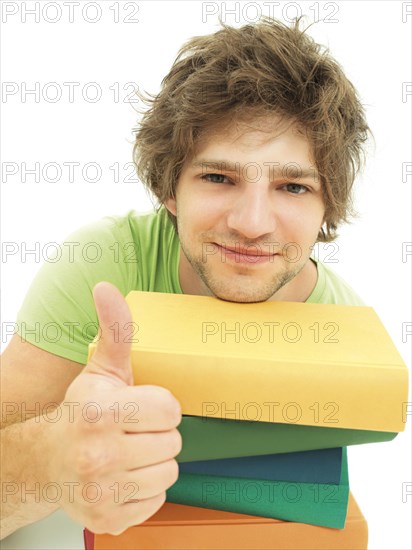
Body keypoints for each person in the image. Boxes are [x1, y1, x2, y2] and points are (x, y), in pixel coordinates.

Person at [0, 16, 371, 538]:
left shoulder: (347, 332)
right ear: (169, 189)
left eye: (292, 187)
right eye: (218, 177)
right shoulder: (103, 265)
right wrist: (49, 463)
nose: (251, 223)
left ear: (327, 205)